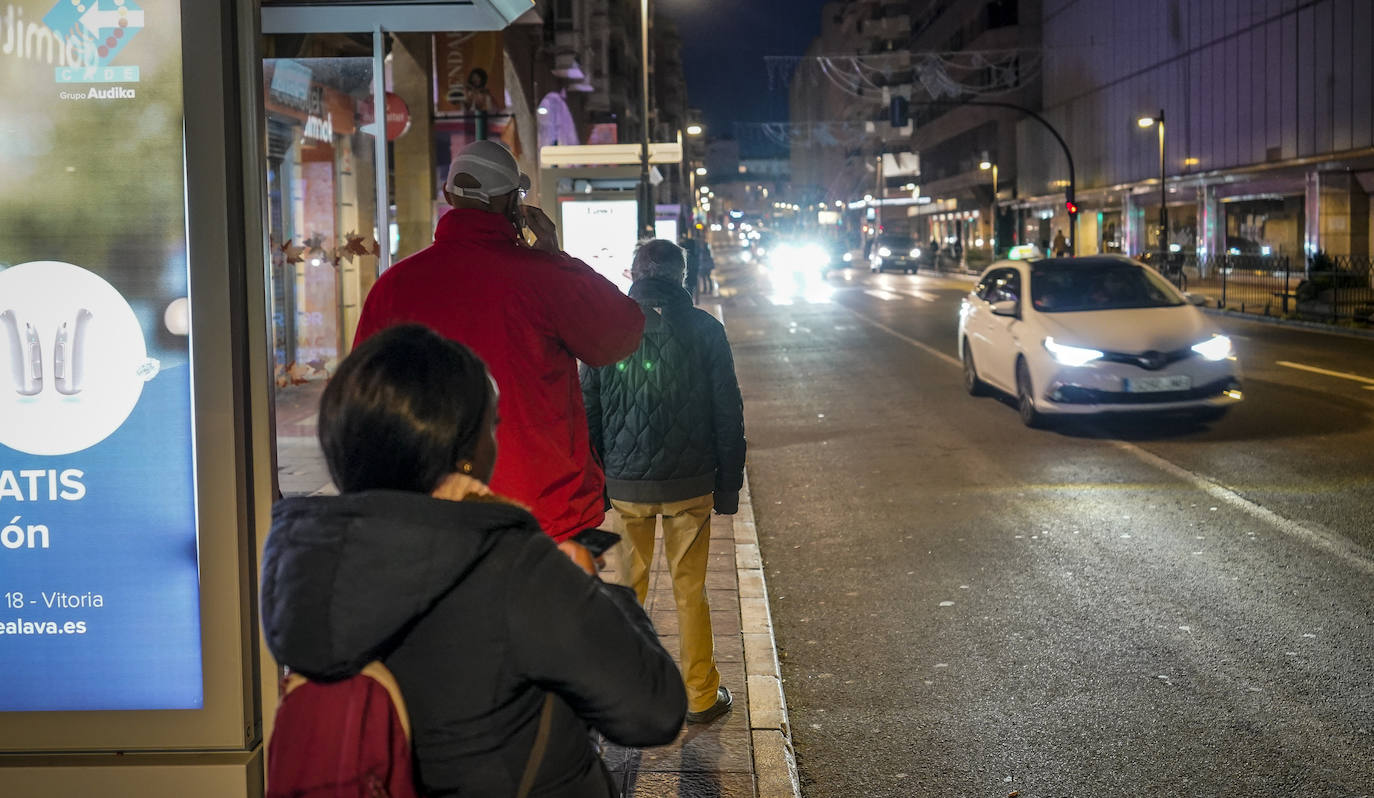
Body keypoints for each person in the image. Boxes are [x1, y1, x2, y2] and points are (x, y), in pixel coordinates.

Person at [261, 325, 686, 797]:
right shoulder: (512, 565)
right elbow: (654, 711)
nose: (495, 440)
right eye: (492, 424)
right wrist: (601, 591)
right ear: (463, 453)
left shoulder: (307, 566)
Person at [353, 139, 644, 544]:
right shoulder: (543, 278)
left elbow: (364, 405)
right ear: (513, 203)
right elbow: (621, 333)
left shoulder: (393, 287)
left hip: (430, 513)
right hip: (541, 511)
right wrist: (554, 257)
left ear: (448, 195)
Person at [581, 239, 746, 725]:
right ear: (682, 276)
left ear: (634, 272)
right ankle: (700, 694)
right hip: (690, 484)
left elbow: (586, 409)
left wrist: (598, 477)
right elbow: (727, 412)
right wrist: (728, 486)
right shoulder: (705, 329)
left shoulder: (606, 328)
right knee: (690, 588)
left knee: (628, 587)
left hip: (626, 484)